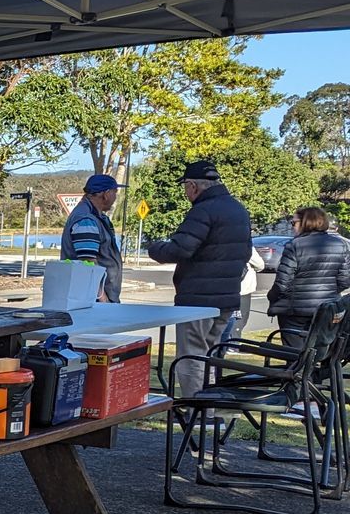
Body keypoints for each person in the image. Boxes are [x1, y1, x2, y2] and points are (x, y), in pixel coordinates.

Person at [146, 159, 253, 400]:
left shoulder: (203, 210)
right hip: (226, 298)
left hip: (197, 300)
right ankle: (211, 407)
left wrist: (154, 249)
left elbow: (181, 249)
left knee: (191, 356)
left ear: (193, 186)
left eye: (185, 186)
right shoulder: (238, 209)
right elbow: (246, 252)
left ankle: (198, 408)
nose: (185, 192)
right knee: (210, 355)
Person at [266, 206, 350, 345]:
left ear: (305, 222)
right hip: (327, 308)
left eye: (294, 223)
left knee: (294, 355)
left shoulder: (295, 245)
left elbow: (282, 283)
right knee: (318, 351)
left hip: (294, 311)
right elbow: (345, 280)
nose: (292, 227)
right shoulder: (340, 245)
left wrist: (273, 298)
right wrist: (327, 293)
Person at [59, 173, 125, 302]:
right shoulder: (86, 220)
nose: (115, 197)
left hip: (92, 297)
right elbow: (87, 263)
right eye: (114, 192)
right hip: (91, 300)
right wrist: (102, 297)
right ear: (105, 194)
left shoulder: (96, 217)